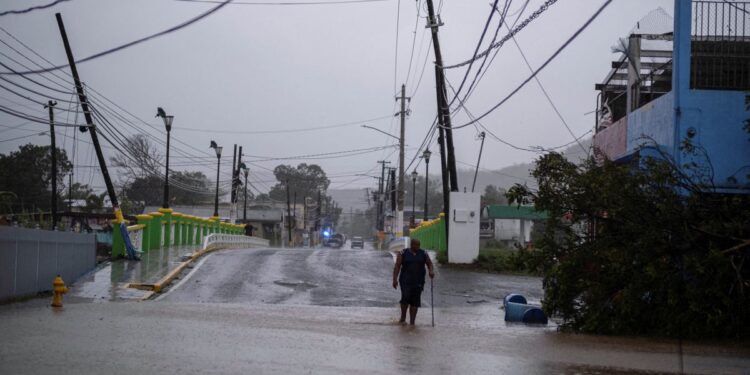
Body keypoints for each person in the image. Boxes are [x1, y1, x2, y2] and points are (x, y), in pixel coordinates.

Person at [392, 238, 434, 325]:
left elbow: (429, 263)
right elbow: (397, 266)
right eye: (416, 245)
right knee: (405, 298)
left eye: (419, 245)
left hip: (418, 281)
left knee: (415, 301)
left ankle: (412, 323)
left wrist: (431, 271)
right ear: (411, 245)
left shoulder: (423, 253)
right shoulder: (403, 253)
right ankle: (403, 319)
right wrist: (394, 279)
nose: (418, 247)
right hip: (405, 281)